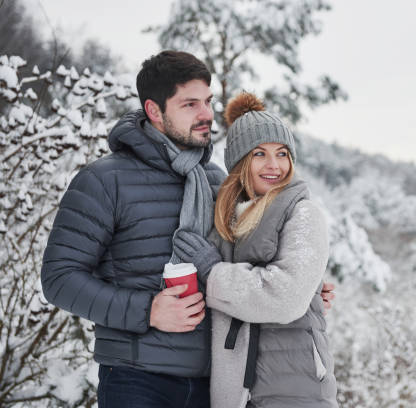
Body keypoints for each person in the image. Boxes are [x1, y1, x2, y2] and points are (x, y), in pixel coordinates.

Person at [40, 50, 334, 408]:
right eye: (190, 104)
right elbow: (59, 278)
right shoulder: (104, 180)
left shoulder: (218, 184)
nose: (207, 114)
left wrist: (306, 291)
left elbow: (248, 266)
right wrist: (147, 310)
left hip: (213, 386)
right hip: (137, 379)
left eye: (208, 102)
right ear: (154, 110)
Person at [174, 92, 338, 408]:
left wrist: (213, 272)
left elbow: (286, 297)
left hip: (294, 389)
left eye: (282, 154)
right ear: (239, 162)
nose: (274, 165)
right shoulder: (225, 219)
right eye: (259, 154)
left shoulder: (303, 213)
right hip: (237, 393)